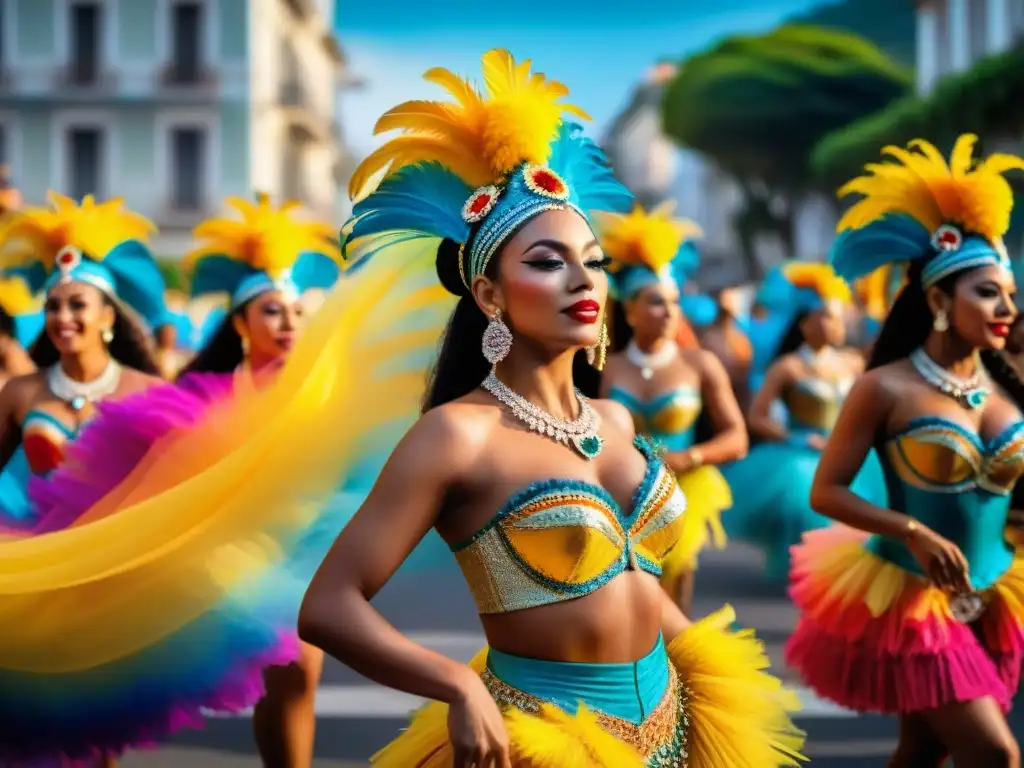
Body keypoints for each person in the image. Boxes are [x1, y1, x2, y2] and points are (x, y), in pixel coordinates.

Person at [299, 49, 804, 768]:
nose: (581, 279)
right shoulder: (457, 435)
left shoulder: (617, 422)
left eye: (592, 261)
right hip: (543, 741)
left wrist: (708, 669)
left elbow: (637, 583)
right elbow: (328, 606)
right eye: (546, 261)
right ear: (490, 297)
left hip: (684, 721)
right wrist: (456, 688)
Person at [0, 194, 444, 765]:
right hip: (171, 556)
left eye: (295, 312)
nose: (287, 325)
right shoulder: (196, 397)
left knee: (295, 671)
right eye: (270, 311)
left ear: (108, 316)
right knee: (79, 695)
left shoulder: (319, 396)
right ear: (240, 323)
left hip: (296, 553)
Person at [786, 134, 1024, 767]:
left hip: (1002, 594)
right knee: (994, 754)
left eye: (1009, 293)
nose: (1006, 307)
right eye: (987, 293)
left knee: (922, 750)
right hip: (912, 602)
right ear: (940, 301)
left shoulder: (1008, 388)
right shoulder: (884, 387)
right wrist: (912, 530)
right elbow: (826, 491)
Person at [597, 202, 746, 615]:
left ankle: (676, 674)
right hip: (618, 495)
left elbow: (737, 437)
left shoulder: (699, 365)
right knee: (620, 601)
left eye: (674, 302)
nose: (668, 312)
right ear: (629, 310)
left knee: (672, 602)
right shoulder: (605, 368)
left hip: (683, 492)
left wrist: (690, 456)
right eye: (655, 302)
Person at [721, 262, 887, 582]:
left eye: (838, 317)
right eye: (825, 316)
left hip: (845, 453)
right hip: (800, 455)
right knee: (806, 499)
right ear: (805, 323)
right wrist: (796, 440)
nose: (834, 324)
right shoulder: (789, 368)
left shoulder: (853, 363)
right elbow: (757, 417)